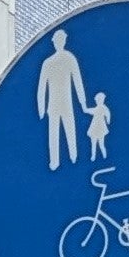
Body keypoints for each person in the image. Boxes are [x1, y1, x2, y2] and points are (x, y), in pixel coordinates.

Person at [35, 28, 87, 170]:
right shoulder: (48, 63)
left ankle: (72, 157)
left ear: (63, 41)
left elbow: (78, 82)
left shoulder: (69, 58)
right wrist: (41, 108)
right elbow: (41, 88)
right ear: (55, 43)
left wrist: (83, 103)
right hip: (54, 104)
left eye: (61, 40)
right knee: (55, 132)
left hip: (65, 103)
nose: (59, 42)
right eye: (57, 40)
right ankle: (57, 161)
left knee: (68, 130)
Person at [85, 91, 112, 160]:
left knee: (100, 144)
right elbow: (89, 110)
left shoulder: (102, 108)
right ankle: (95, 156)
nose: (97, 101)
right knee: (94, 143)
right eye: (97, 100)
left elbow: (108, 114)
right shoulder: (100, 108)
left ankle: (104, 156)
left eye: (99, 100)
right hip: (95, 128)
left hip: (100, 128)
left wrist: (108, 120)